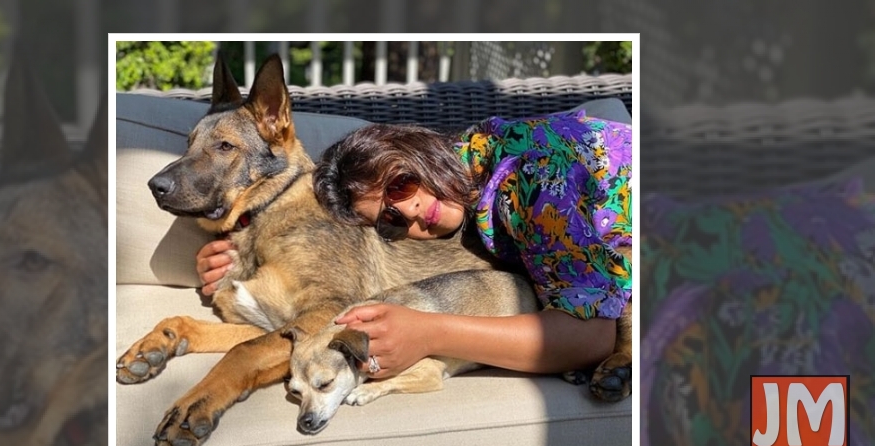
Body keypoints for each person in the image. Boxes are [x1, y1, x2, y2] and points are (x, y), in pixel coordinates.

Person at [197, 109, 631, 381]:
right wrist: (240, 259)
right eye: (390, 221)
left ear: (419, 149)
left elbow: (587, 337)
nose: (412, 212)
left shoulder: (528, 180)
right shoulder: (470, 173)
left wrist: (428, 333)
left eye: (402, 184)